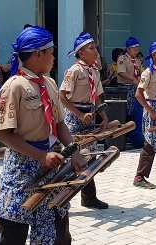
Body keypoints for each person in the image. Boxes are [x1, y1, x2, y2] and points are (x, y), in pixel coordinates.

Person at [0, 26, 87, 245]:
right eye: (51, 52)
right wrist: (39, 156)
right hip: (22, 166)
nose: (53, 57)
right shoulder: (14, 87)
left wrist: (73, 151)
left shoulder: (49, 83)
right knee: (14, 229)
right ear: (37, 54)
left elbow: (60, 124)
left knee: (58, 228)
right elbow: (4, 134)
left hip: (51, 163)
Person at [59, 32, 110, 209]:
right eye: (91, 48)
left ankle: (89, 197)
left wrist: (102, 115)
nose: (95, 50)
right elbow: (62, 96)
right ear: (81, 53)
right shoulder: (74, 71)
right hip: (75, 116)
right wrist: (79, 115)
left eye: (95, 47)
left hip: (90, 114)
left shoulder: (94, 71)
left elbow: (96, 97)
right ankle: (59, 195)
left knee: (89, 156)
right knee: (74, 157)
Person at [133, 41, 156, 189]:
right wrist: (150, 111)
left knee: (154, 143)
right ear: (154, 55)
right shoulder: (147, 73)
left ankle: (141, 176)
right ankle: (140, 176)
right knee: (152, 142)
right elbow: (138, 94)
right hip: (152, 107)